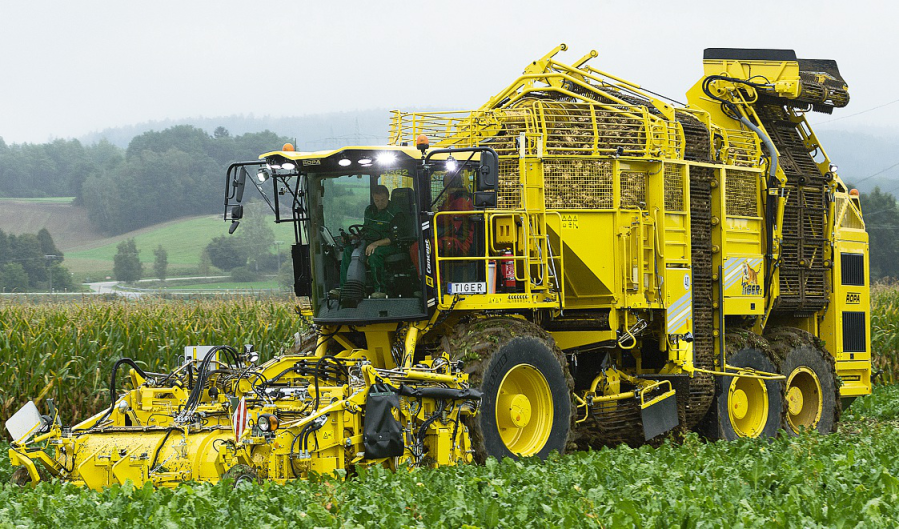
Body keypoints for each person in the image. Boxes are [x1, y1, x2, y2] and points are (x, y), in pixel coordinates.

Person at [336, 185, 401, 299]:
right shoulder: (369, 210)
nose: (380, 203)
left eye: (383, 200)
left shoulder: (396, 212)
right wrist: (352, 237)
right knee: (348, 251)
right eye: (377, 200)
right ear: (373, 198)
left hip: (390, 245)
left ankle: (380, 290)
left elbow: (394, 237)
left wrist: (376, 244)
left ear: (388, 197)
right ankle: (344, 288)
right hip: (369, 242)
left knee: (374, 254)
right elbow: (365, 230)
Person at [410, 171, 474, 273]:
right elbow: (442, 219)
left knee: (422, 247)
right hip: (448, 236)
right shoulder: (451, 199)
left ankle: (434, 284)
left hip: (459, 242)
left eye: (446, 183)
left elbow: (453, 227)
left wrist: (432, 233)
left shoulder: (461, 201)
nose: (444, 187)